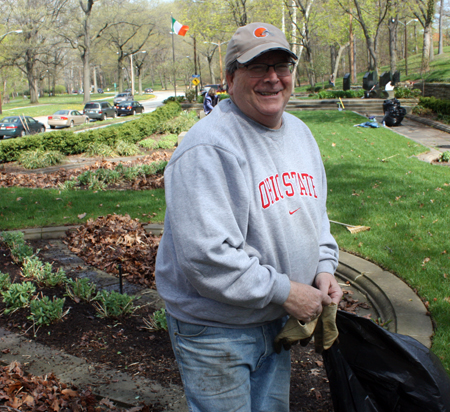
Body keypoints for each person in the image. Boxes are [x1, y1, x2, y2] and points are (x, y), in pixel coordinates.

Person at [155, 22, 342, 411]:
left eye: (281, 65)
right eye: (257, 67)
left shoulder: (301, 134)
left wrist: (323, 267)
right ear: (229, 79)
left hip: (274, 321)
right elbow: (208, 258)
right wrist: (287, 292)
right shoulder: (207, 148)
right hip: (216, 332)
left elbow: (315, 216)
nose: (272, 78)